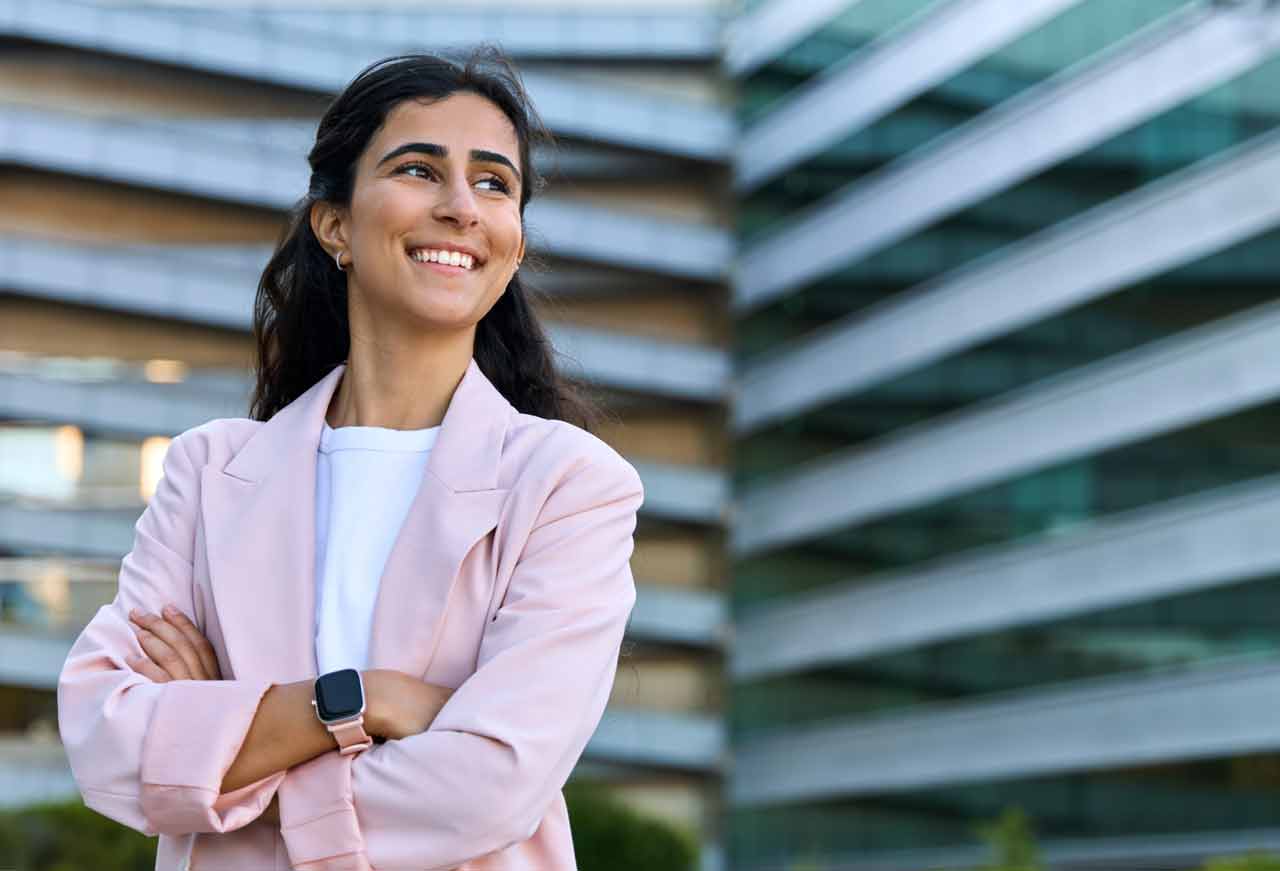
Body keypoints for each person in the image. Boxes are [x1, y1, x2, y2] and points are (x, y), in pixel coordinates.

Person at [56, 48, 644, 871]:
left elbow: (491, 784)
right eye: (418, 169)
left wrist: (220, 761)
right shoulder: (207, 473)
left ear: (512, 245)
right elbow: (105, 736)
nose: (460, 207)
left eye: (493, 182)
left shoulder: (569, 486)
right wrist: (363, 701)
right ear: (335, 225)